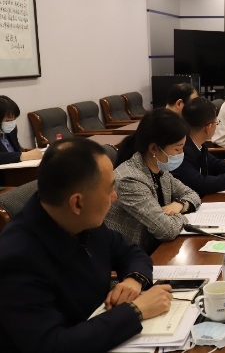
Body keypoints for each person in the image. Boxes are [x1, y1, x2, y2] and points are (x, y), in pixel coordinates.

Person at [0, 137, 173, 353]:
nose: (115, 196)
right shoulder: (16, 259)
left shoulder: (81, 220)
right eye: (109, 189)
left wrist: (134, 280)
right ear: (77, 202)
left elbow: (129, 252)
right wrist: (135, 311)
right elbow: (52, 345)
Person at [105, 109, 201, 254]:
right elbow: (167, 230)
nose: (182, 154)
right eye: (177, 149)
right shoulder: (129, 179)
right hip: (131, 257)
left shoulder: (160, 169)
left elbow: (192, 194)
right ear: (154, 148)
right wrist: (183, 217)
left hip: (158, 249)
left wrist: (180, 205)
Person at [172, 97, 225, 197]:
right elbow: (199, 184)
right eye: (217, 122)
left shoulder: (196, 144)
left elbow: (213, 163)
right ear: (208, 127)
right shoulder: (180, 150)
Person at [0, 95, 43, 165]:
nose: (12, 123)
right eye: (8, 120)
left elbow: (17, 150)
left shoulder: (11, 130)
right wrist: (25, 156)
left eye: (14, 119)